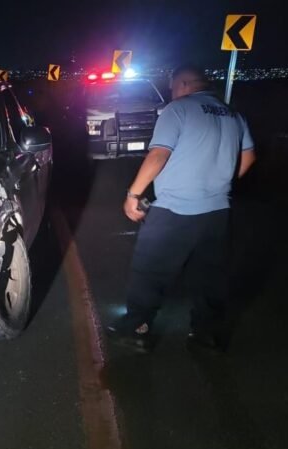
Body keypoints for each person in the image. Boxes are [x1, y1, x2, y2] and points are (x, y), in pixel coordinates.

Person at [105, 65, 256, 353]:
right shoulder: (233, 114)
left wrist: (133, 194)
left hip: (175, 211)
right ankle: (206, 334)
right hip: (217, 212)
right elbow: (248, 157)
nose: (172, 93)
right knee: (210, 276)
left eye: (173, 87)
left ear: (184, 83)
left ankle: (137, 328)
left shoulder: (178, 110)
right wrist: (219, 181)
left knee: (149, 271)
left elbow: (159, 154)